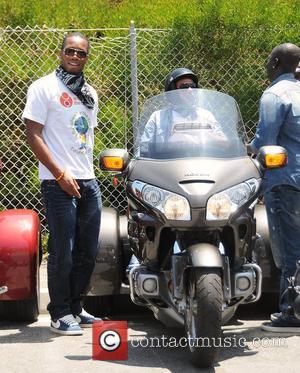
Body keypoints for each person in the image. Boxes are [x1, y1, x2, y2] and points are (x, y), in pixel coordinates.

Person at [23, 32, 102, 335]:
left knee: (88, 249)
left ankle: (76, 307)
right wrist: (59, 173)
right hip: (57, 182)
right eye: (71, 51)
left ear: (86, 58)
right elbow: (33, 135)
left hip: (87, 179)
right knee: (62, 250)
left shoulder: (89, 93)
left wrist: (85, 174)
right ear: (61, 53)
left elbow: (84, 138)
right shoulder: (43, 88)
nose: (75, 57)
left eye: (82, 54)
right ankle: (58, 313)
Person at [248, 43, 300, 332]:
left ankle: (291, 312)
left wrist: (246, 148)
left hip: (284, 182)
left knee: (289, 250)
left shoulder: (274, 94)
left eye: (269, 59)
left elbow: (265, 140)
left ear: (277, 61)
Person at [139, 68, 226, 158]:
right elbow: (143, 149)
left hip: (203, 165)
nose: (190, 90)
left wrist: (203, 136)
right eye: (184, 87)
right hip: (166, 167)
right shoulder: (157, 117)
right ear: (172, 91)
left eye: (192, 86)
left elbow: (224, 143)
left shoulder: (206, 115)